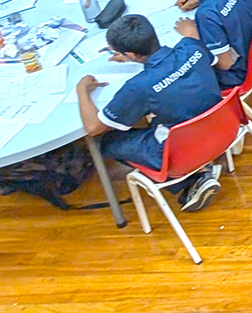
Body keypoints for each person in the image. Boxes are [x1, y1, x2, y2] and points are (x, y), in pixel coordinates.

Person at [75, 14, 224, 212]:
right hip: (222, 128)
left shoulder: (138, 86)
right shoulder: (191, 47)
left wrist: (81, 90)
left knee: (107, 142)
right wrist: (135, 59)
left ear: (131, 54)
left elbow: (93, 127)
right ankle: (201, 171)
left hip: (180, 148)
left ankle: (192, 179)